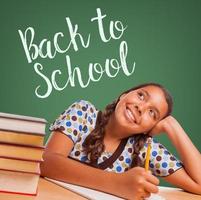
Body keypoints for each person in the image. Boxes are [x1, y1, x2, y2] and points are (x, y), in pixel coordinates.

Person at [40, 83, 201, 200]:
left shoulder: (145, 148)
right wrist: (117, 183)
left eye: (152, 113)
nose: (141, 107)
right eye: (141, 95)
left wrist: (172, 126)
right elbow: (47, 162)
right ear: (123, 95)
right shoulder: (83, 113)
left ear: (150, 128)